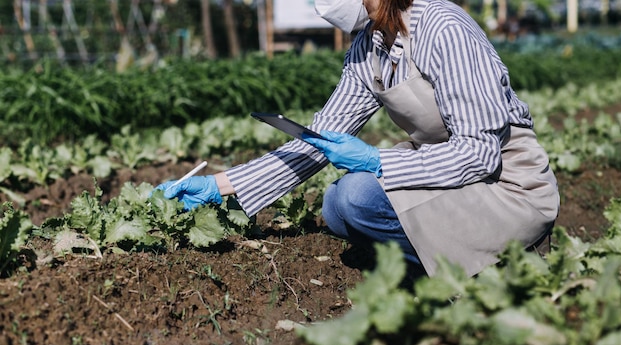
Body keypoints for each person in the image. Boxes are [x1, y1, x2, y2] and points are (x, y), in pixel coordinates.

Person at [155, 0, 559, 278]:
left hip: (503, 182)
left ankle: (488, 264)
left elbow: (480, 154)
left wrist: (380, 163)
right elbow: (316, 142)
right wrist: (218, 186)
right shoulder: (369, 47)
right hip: (447, 173)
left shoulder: (443, 28)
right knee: (336, 206)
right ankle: (455, 259)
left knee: (357, 196)